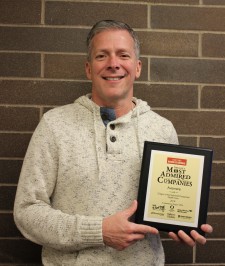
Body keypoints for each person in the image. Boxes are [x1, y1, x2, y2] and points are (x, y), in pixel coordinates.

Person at [14, 20, 213, 265]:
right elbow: (27, 212)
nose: (113, 64)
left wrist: (182, 223)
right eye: (102, 55)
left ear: (137, 67)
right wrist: (99, 231)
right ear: (88, 69)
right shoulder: (54, 125)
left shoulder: (162, 129)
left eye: (123, 55)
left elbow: (168, 204)